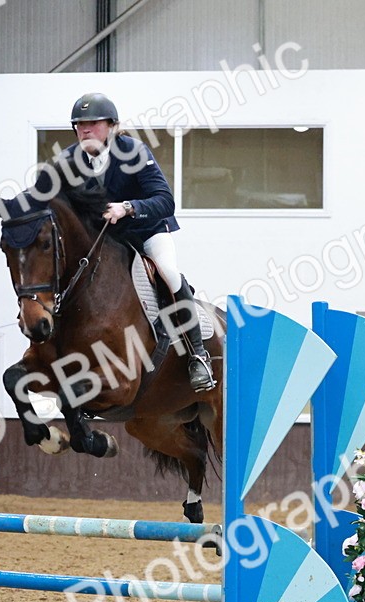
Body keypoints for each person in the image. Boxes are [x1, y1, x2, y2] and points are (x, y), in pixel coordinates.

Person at [62, 92, 215, 392]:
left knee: (169, 273)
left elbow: (165, 200)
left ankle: (198, 355)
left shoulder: (133, 151)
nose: (85, 130)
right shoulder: (69, 160)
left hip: (147, 231)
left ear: (112, 127)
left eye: (93, 123)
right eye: (80, 125)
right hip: (106, 240)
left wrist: (128, 207)